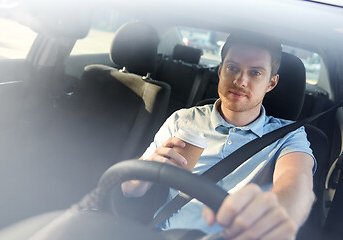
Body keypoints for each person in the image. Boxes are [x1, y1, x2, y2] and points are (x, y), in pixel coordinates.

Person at [121, 32, 316, 239]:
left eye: (255, 73)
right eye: (232, 68)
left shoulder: (288, 135)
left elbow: (296, 182)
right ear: (220, 70)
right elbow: (129, 189)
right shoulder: (182, 120)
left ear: (271, 83)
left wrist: (282, 214)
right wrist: (147, 169)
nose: (240, 80)